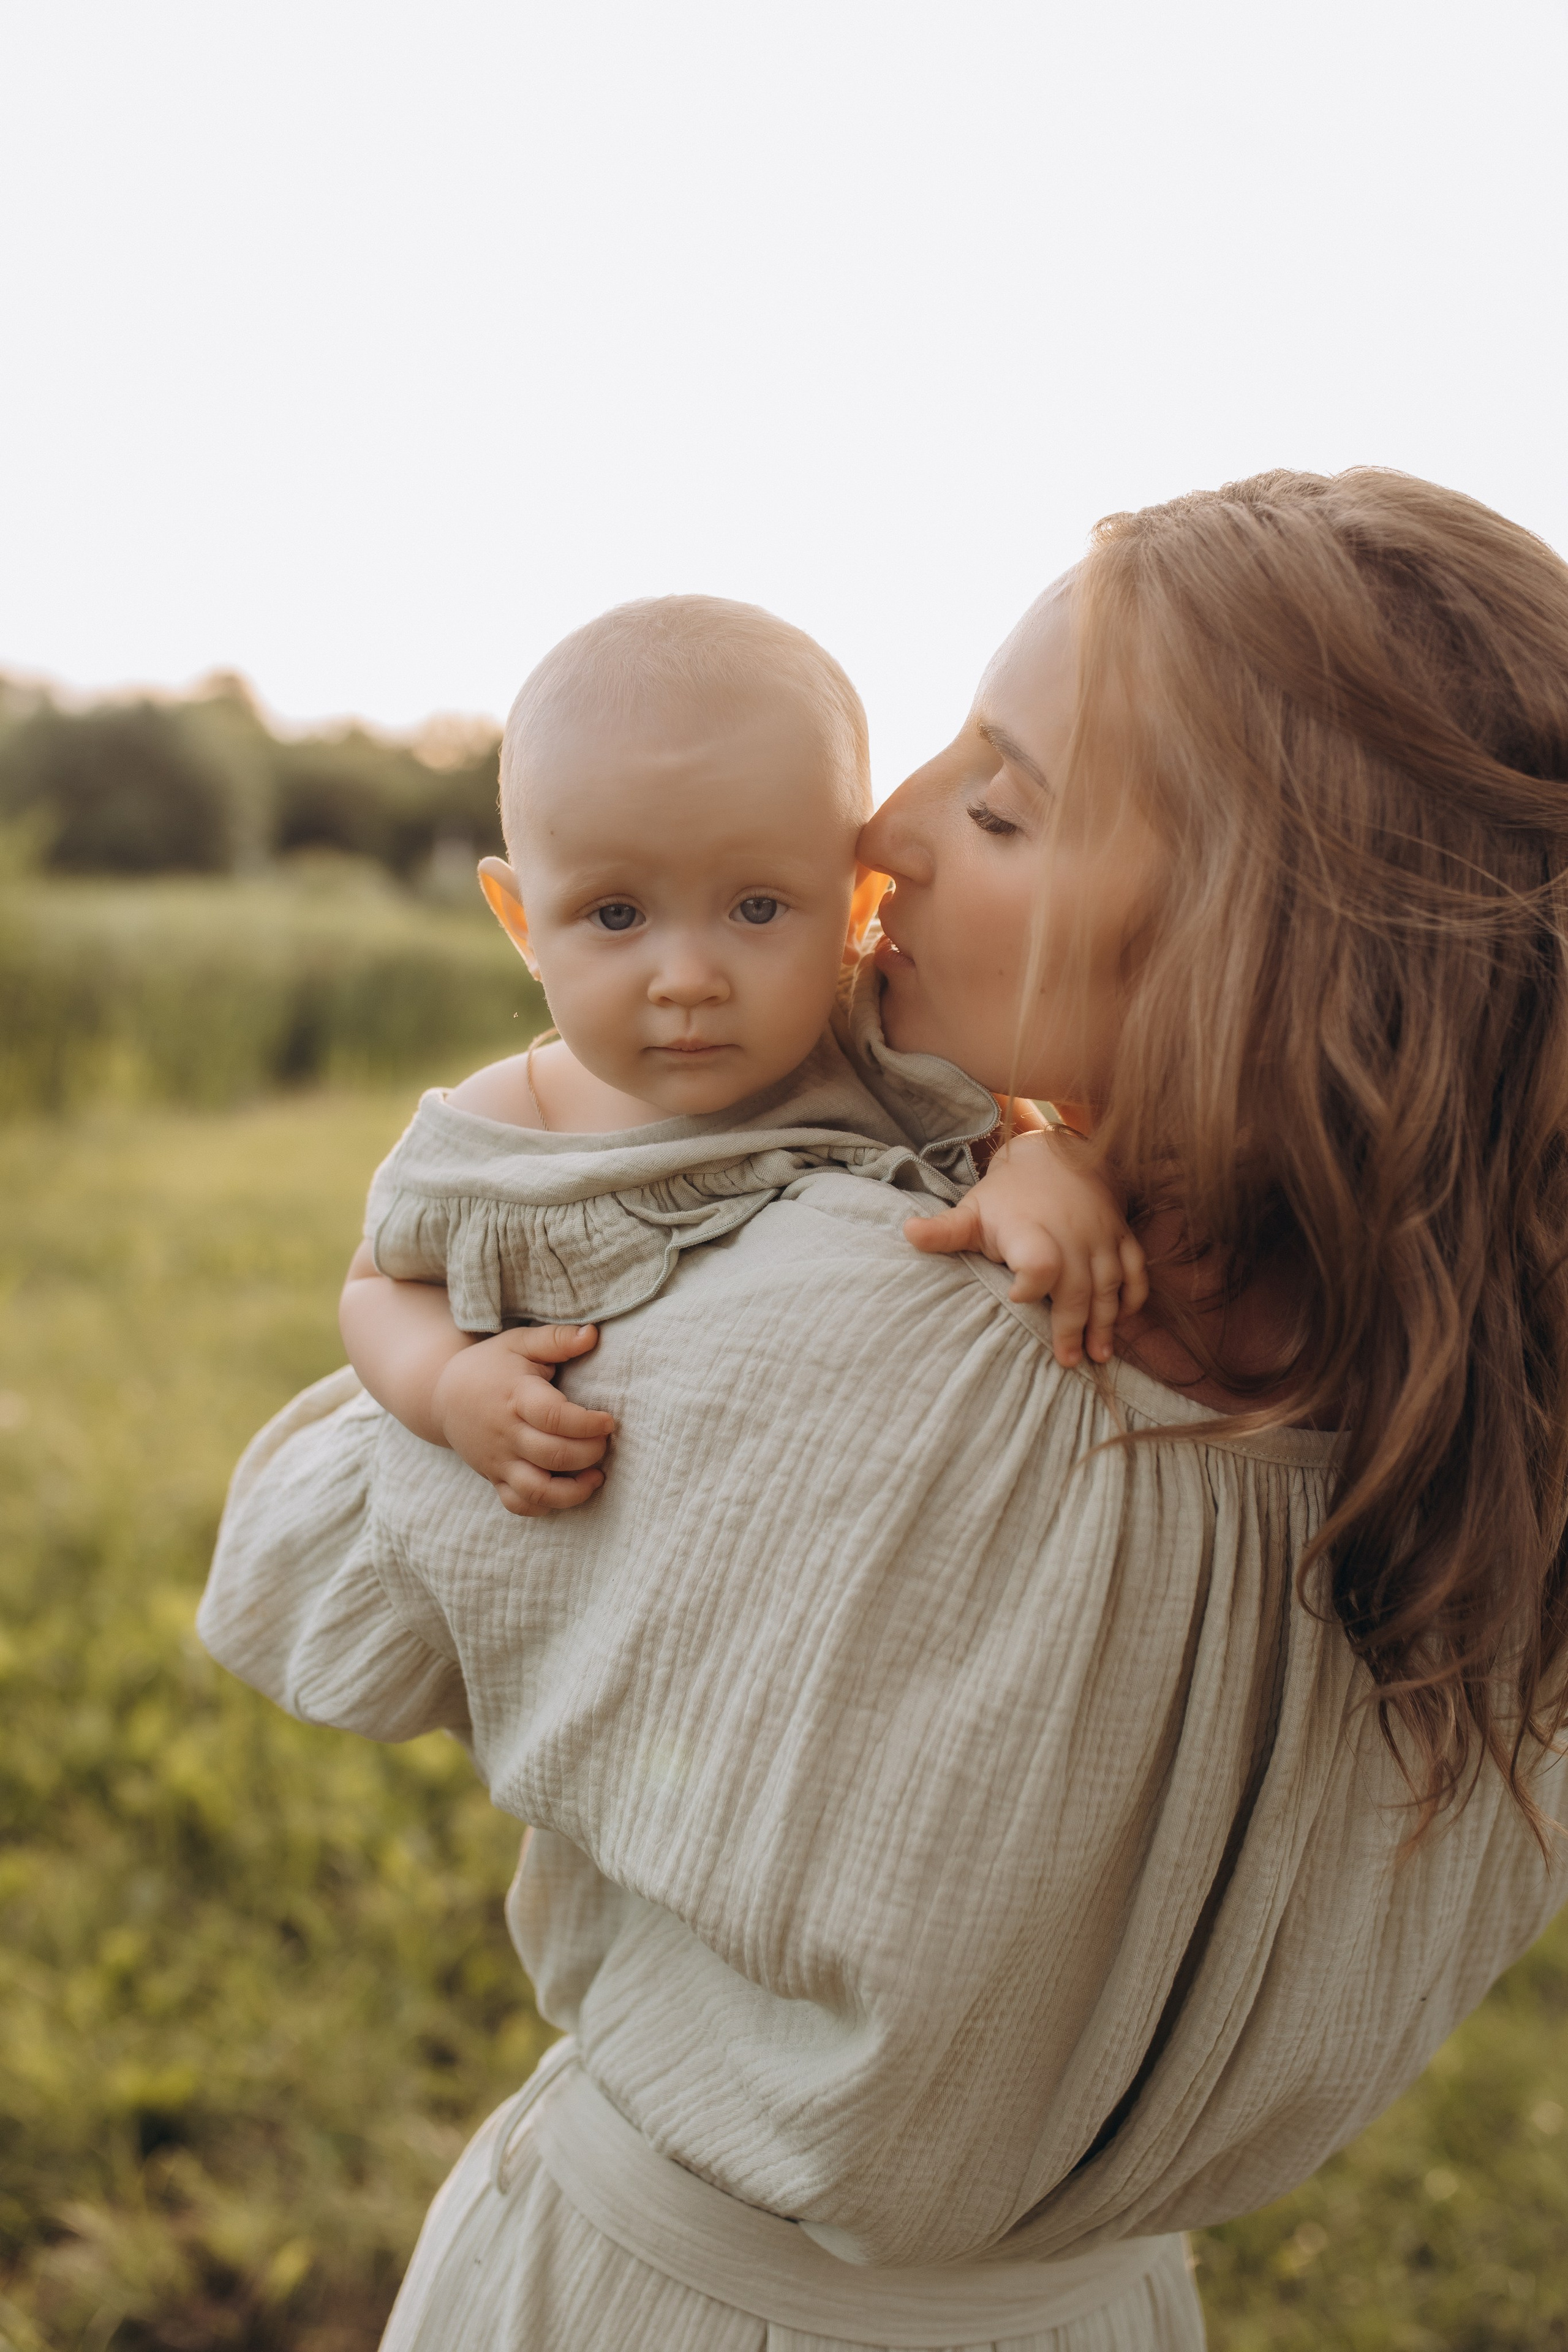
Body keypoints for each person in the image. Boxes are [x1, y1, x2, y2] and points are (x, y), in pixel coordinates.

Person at [199, 469, 1568, 2352]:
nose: (888, 834)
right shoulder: (1507, 1460)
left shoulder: (872, 1312)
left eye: (1000, 803)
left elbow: (314, 1575)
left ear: (1258, 945)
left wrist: (451, 1369)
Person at [336, 594, 1144, 1520]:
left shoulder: (878, 1055)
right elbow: (379, 1284)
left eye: (758, 908)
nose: (687, 979)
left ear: (855, 907)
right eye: (616, 914)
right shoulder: (502, 1130)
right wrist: (445, 1388)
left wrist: (1044, 1166)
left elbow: (1003, 1137)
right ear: (525, 925)